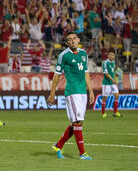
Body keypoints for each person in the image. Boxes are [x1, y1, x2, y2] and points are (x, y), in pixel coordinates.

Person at [47, 32, 94, 160]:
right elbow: (56, 75)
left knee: (78, 123)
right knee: (77, 122)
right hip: (72, 93)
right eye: (69, 39)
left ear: (78, 39)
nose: (72, 40)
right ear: (66, 43)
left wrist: (91, 91)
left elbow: (86, 74)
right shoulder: (63, 55)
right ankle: (82, 153)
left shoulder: (83, 54)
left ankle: (58, 145)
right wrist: (52, 94)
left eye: (74, 38)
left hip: (83, 92)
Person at [101, 51, 122, 118]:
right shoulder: (105, 63)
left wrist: (115, 79)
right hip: (106, 83)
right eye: (111, 55)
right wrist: (113, 80)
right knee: (105, 98)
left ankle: (115, 112)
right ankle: (103, 113)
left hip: (113, 83)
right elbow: (106, 73)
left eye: (113, 55)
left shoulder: (113, 63)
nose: (112, 56)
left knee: (116, 95)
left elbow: (113, 73)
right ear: (108, 56)